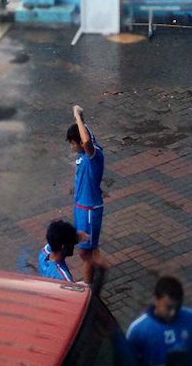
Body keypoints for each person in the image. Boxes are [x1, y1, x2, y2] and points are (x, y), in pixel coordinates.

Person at [67, 104, 110, 287]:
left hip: (89, 211)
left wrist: (77, 116)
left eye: (72, 142)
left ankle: (102, 269)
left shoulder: (94, 155)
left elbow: (86, 141)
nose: (72, 146)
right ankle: (88, 284)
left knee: (86, 253)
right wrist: (81, 119)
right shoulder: (86, 155)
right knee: (89, 249)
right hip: (83, 208)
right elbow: (86, 136)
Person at [126, 276, 192, 366]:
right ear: (156, 300)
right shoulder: (138, 330)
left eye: (177, 307)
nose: (173, 313)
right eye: (168, 307)